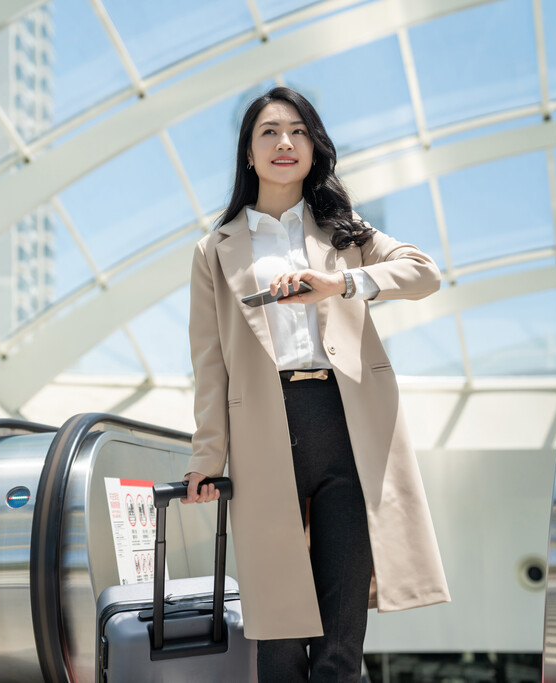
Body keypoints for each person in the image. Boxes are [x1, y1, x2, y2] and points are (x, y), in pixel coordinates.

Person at [181, 87, 450, 682]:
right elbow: (210, 363)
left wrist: (342, 285)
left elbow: (424, 274)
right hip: (263, 430)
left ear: (314, 147)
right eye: (269, 132)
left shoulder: (347, 232)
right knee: (277, 630)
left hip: (346, 422)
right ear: (248, 154)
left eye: (298, 131)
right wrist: (206, 457)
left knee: (341, 627)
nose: (285, 142)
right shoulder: (213, 250)